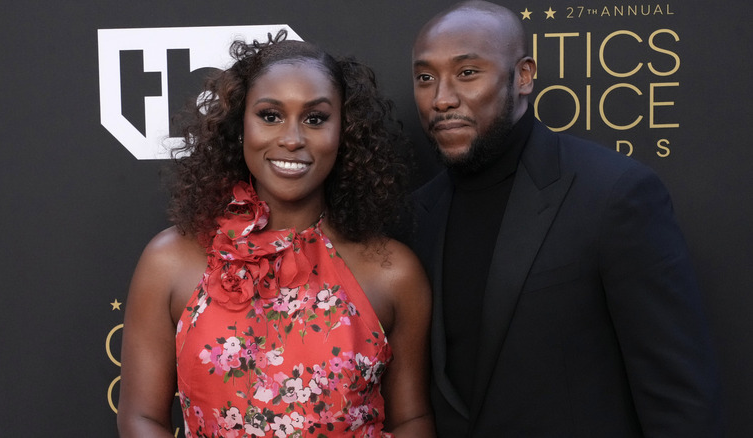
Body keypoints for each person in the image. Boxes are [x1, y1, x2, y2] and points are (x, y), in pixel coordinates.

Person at [406, 1, 723, 436]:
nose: (441, 98)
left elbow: (679, 398)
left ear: (523, 76)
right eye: (426, 78)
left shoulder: (614, 196)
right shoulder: (414, 217)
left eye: (467, 73)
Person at [117, 31, 434, 437]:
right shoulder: (169, 261)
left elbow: (412, 421)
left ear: (346, 131)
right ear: (239, 125)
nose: (291, 138)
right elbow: (141, 419)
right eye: (270, 115)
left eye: (315, 118)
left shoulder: (394, 271)